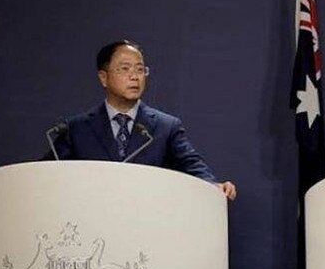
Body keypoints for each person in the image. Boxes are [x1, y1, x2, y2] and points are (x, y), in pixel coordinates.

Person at [46, 40, 236, 200]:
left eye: (140, 69)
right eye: (125, 69)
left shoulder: (165, 127)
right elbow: (43, 175)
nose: (134, 76)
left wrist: (213, 186)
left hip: (146, 224)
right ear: (103, 78)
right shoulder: (77, 129)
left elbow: (192, 165)